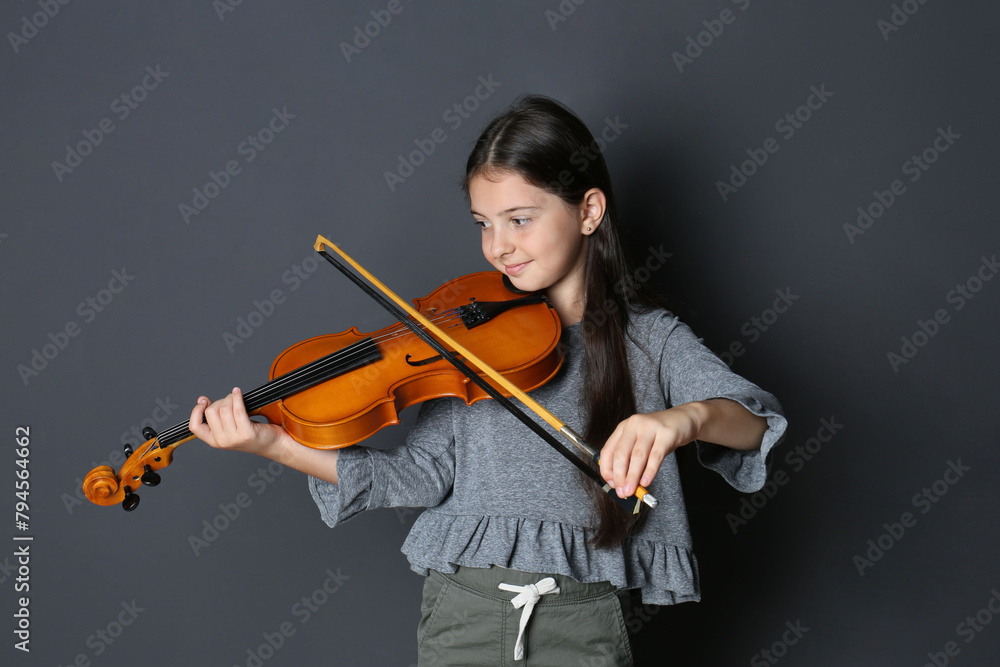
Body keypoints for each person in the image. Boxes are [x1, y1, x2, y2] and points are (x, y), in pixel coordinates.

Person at [189, 94, 787, 666]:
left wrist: (680, 419)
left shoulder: (649, 340)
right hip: (464, 615)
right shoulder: (469, 345)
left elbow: (752, 421)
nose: (498, 247)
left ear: (588, 211)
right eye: (483, 223)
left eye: (519, 220)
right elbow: (416, 476)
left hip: (585, 624)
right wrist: (271, 442)